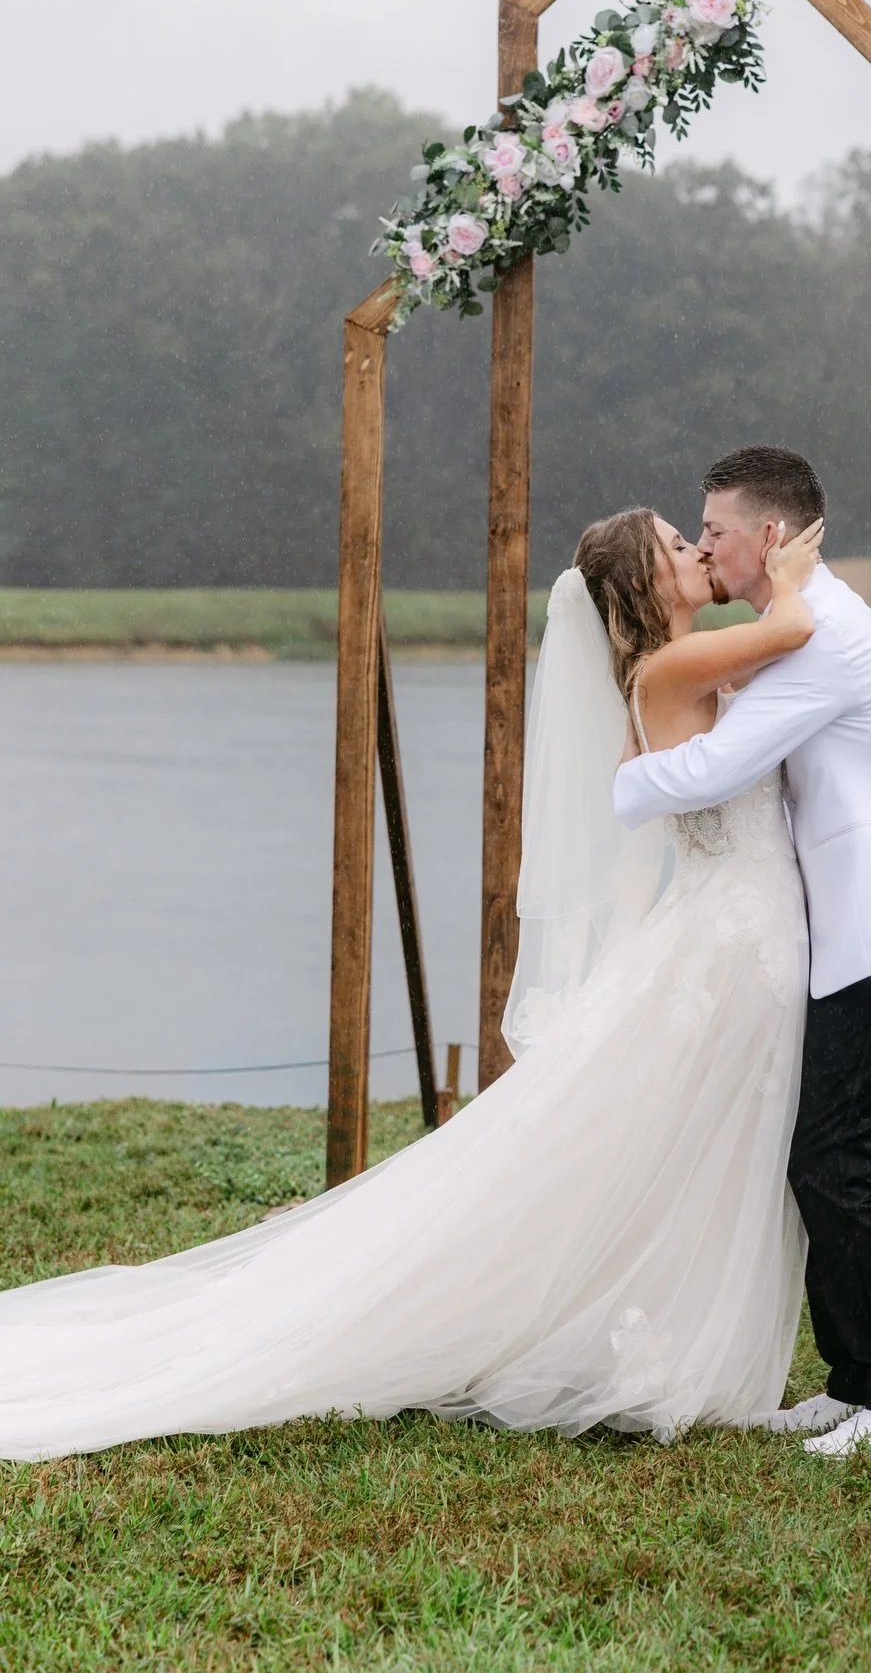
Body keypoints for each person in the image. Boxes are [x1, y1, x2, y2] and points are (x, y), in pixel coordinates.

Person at [0, 510, 825, 1461]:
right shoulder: (670, 670)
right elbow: (795, 631)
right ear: (644, 586)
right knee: (683, 1139)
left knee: (697, 1142)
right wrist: (792, 565)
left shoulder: (685, 666)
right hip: (729, 936)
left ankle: (658, 1324)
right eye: (677, 546)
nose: (694, 552)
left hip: (732, 934)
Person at [615, 444, 871, 1456]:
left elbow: (718, 765)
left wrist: (623, 783)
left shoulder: (824, 642)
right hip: (864, 932)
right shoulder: (803, 629)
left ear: (768, 537)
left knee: (836, 1154)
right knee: (816, 1151)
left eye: (718, 530)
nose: (706, 544)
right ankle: (859, 1379)